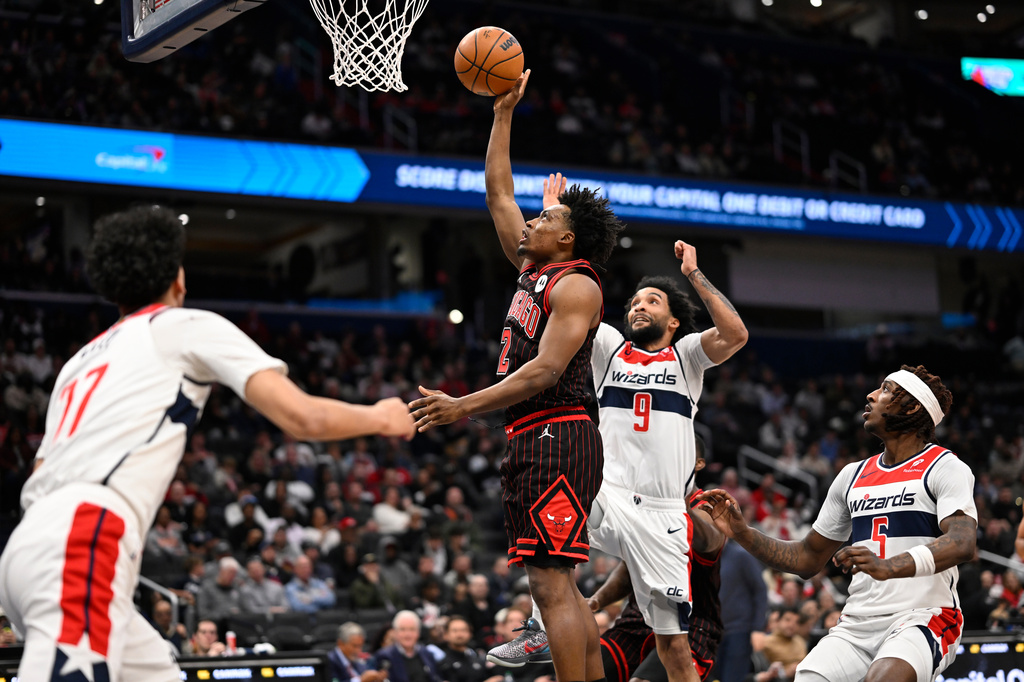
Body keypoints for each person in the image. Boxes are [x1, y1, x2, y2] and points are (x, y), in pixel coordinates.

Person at [0, 206, 416, 682]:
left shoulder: (77, 363)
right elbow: (302, 417)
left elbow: (38, 471)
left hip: (27, 547)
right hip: (82, 538)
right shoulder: (181, 325)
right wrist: (382, 417)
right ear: (178, 279)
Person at [488, 162, 745, 682]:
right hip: (604, 486)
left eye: (652, 301)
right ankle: (542, 623)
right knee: (552, 565)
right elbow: (563, 298)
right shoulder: (609, 348)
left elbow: (735, 333)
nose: (638, 306)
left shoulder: (688, 358)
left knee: (673, 646)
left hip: (662, 510)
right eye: (635, 300)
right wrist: (552, 222)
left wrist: (693, 274)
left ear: (674, 320)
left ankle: (558, 621)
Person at [410, 70, 625, 682]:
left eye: (545, 216)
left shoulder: (577, 284)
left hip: (557, 430)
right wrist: (503, 114)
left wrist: (463, 406)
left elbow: (547, 369)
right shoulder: (535, 269)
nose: (530, 220)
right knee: (560, 584)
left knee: (551, 584)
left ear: (569, 237)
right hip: (540, 435)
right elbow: (498, 198)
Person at [699, 365, 978, 682]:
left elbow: (962, 542)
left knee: (885, 678)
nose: (871, 396)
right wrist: (743, 533)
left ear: (912, 407)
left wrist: (889, 566)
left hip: (925, 615)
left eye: (885, 390)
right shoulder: (852, 475)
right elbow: (806, 559)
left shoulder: (945, 466)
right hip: (857, 622)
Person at [587, 438, 727, 682]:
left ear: (698, 464)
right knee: (582, 667)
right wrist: (596, 601)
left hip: (692, 622)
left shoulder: (707, 504)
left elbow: (712, 541)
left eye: (680, 454)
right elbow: (630, 566)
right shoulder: (643, 503)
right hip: (639, 619)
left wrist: (678, 508)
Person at [715, 538, 768, 682]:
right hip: (713, 632)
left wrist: (758, 628)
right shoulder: (705, 557)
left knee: (732, 678)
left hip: (739, 630)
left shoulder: (741, 555)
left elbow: (760, 590)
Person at [366, 610, 444, 682]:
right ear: (395, 632)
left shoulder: (426, 653)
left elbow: (436, 677)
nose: (407, 634)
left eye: (412, 629)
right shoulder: (384, 656)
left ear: (418, 633)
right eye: (402, 629)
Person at [438, 615, 505, 682]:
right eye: (455, 631)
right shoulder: (443, 663)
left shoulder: (477, 657)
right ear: (446, 635)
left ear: (470, 633)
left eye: (463, 630)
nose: (459, 634)